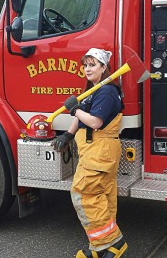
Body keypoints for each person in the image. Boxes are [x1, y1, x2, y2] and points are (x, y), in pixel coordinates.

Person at [51, 48, 127, 258]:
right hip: (94, 151)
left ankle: (114, 243)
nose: (87, 69)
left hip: (100, 150)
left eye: (93, 65)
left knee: (83, 194)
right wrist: (67, 134)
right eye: (85, 65)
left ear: (104, 67)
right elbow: (83, 116)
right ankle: (102, 248)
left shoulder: (107, 91)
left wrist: (74, 109)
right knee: (102, 197)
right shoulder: (94, 90)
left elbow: (95, 121)